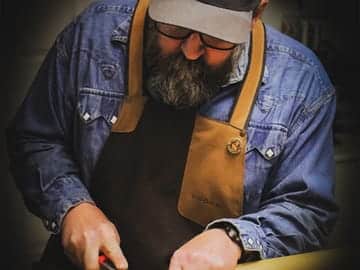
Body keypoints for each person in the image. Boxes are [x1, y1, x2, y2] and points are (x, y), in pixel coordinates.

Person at [6, 0, 338, 269]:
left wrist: (234, 239)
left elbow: (307, 208)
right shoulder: (93, 35)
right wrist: (72, 208)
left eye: (215, 36)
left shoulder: (301, 83)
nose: (191, 50)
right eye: (175, 27)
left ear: (257, 12)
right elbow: (36, 138)